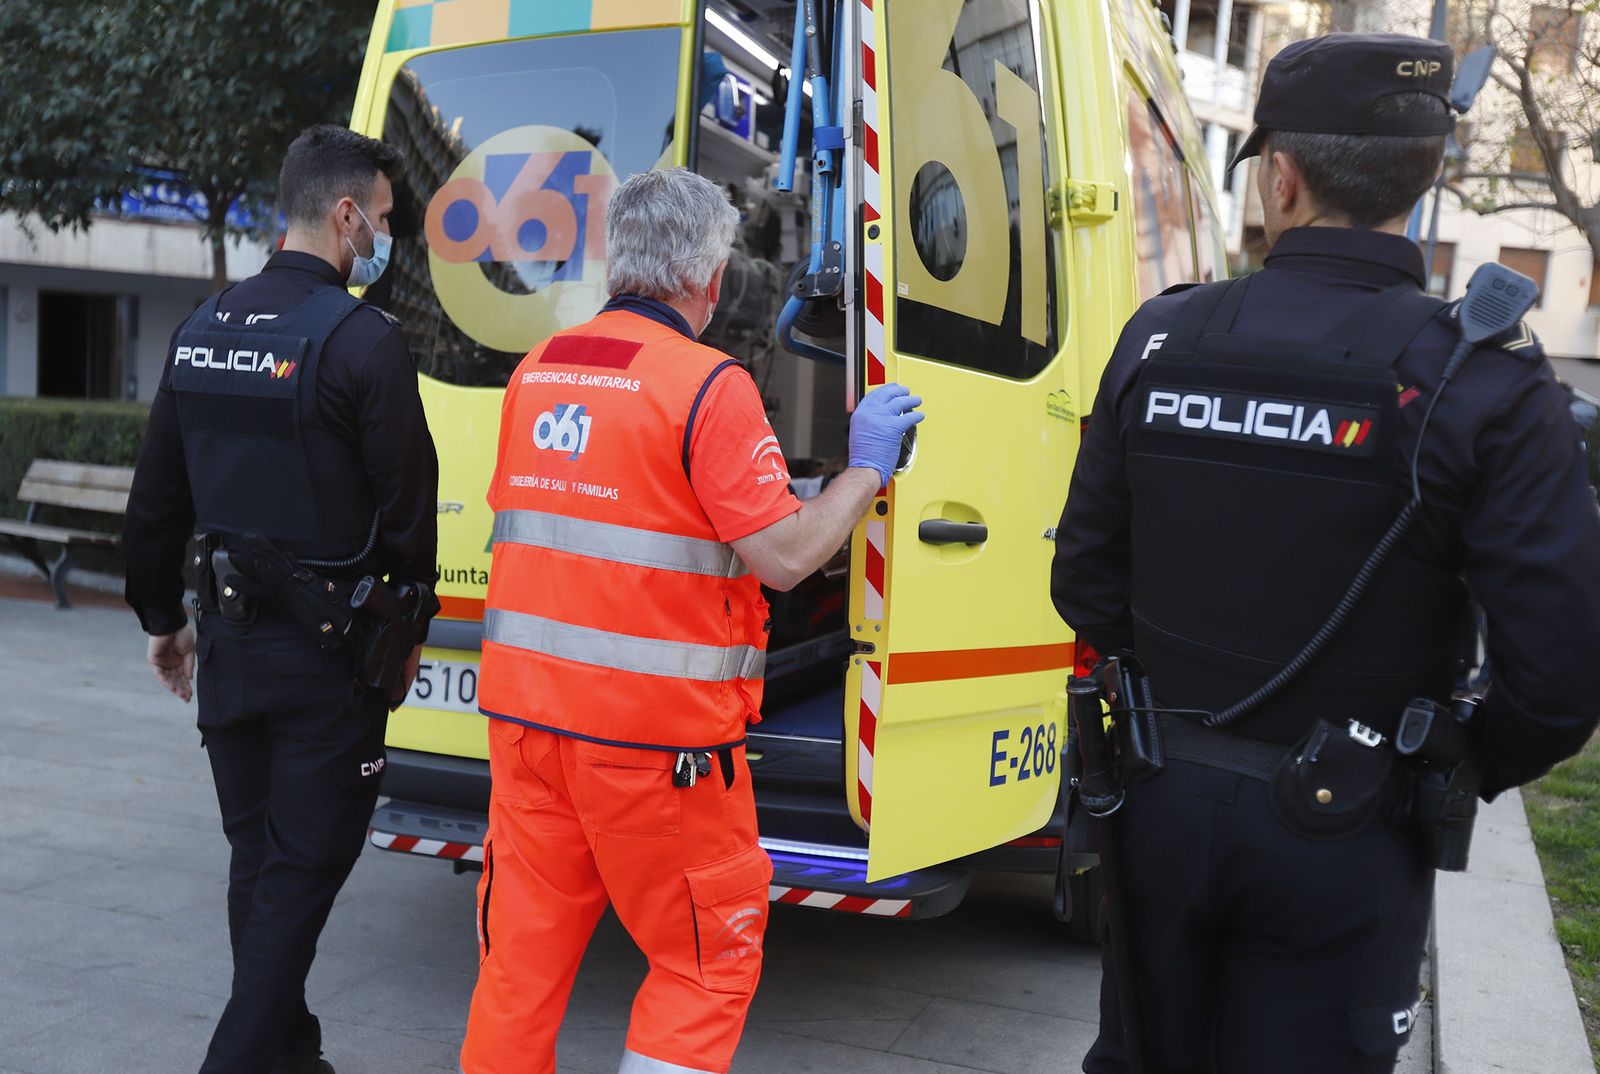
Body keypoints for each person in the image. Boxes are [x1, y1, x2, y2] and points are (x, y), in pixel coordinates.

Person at [1052, 33, 1600, 1074]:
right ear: (1424, 176)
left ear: (1280, 175)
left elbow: (1083, 578)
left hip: (1155, 805)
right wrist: (1442, 762)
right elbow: (1560, 674)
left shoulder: (1159, 339)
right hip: (1348, 829)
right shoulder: (1486, 386)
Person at [460, 167, 923, 1074]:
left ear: (616, 263)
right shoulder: (709, 385)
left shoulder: (537, 373)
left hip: (525, 734)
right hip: (654, 751)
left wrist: (762, 497)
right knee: (704, 964)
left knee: (520, 967)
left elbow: (613, 514)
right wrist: (864, 474)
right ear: (706, 280)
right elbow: (787, 559)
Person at [124, 125, 440, 1074]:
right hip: (327, 672)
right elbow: (409, 518)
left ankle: (290, 1057)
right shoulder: (363, 342)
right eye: (383, 220)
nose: (385, 238)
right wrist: (409, 631)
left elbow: (152, 509)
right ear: (347, 217)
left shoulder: (202, 327)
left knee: (260, 863)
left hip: (228, 654)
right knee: (300, 874)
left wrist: (163, 624)